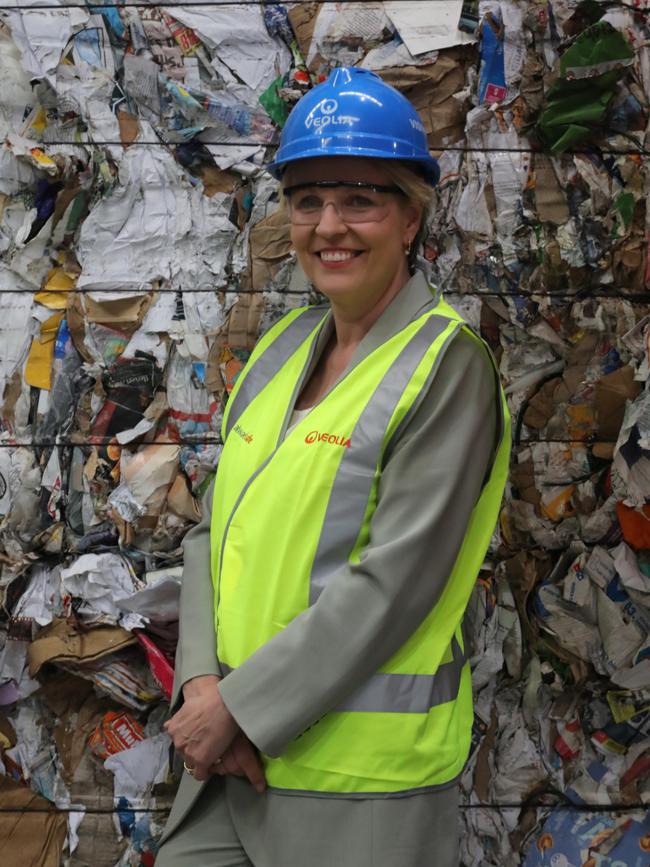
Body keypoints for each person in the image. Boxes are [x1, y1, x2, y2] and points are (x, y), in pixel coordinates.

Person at [156, 67, 510, 867]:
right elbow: (212, 537)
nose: (329, 225)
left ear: (411, 218)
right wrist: (199, 689)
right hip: (232, 766)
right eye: (307, 199)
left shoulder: (446, 367)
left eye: (360, 199)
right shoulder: (280, 351)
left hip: (355, 793)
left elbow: (393, 583)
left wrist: (239, 708)